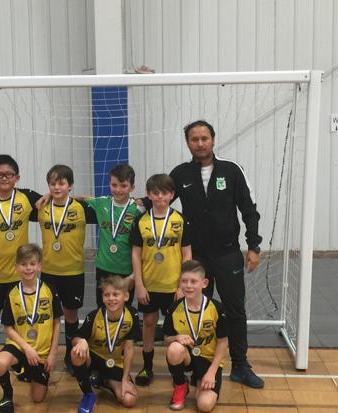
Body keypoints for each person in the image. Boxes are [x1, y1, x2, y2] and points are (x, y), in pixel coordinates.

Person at [167, 119, 264, 388]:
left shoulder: (231, 170)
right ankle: (199, 365)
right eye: (194, 139)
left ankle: (241, 365)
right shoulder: (180, 174)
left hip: (228, 254)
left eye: (204, 138)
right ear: (188, 143)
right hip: (197, 258)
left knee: (235, 310)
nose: (200, 143)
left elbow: (249, 210)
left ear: (213, 139)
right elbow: (157, 198)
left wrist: (253, 246)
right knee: (198, 311)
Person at [0, 154, 42, 379]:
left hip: (20, 274)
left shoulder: (26, 198)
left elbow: (53, 198)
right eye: (0, 175)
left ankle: (18, 358)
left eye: (9, 174)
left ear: (17, 177)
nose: (4, 178)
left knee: (19, 318)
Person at [31, 164, 97, 373]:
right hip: (49, 272)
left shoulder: (82, 208)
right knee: (49, 316)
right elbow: (16, 196)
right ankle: (42, 354)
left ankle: (70, 355)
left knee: (70, 314)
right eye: (52, 184)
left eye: (61, 183)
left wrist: (80, 197)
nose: (56, 187)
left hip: (73, 272)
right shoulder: (41, 207)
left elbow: (106, 202)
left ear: (70, 185)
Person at [130, 174, 192, 386]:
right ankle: (147, 367)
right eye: (155, 193)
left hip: (173, 286)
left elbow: (187, 254)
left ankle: (178, 369)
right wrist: (139, 285)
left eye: (164, 193)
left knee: (177, 327)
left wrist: (182, 285)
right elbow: (136, 254)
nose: (160, 197)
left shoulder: (180, 220)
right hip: (149, 285)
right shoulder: (141, 221)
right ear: (148, 195)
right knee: (148, 323)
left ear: (172, 195)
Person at [0, 243, 63, 413]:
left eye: (32, 264)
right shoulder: (12, 294)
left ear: (39, 266)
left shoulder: (49, 290)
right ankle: (7, 394)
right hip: (20, 346)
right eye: (23, 264)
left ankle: (27, 371)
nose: (28, 268)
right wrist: (27, 348)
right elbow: (8, 328)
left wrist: (53, 354)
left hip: (42, 352)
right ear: (17, 267)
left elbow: (57, 322)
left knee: (37, 399)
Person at [164, 260, 228, 412]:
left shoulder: (216, 308)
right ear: (179, 282)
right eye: (184, 281)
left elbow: (223, 343)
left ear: (204, 283)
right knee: (174, 349)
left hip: (209, 361)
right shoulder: (174, 308)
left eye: (193, 281)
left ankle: (200, 379)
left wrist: (211, 373)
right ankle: (181, 385)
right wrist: (176, 338)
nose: (188, 286)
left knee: (204, 405)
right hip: (188, 357)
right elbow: (166, 339)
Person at [71, 276, 139, 413]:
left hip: (115, 362)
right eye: (107, 295)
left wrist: (125, 379)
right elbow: (74, 338)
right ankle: (88, 394)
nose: (111, 298)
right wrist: (81, 341)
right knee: (76, 353)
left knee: (130, 400)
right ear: (102, 298)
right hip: (94, 359)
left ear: (126, 296)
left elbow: (129, 348)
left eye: (115, 294)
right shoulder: (94, 316)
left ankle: (105, 381)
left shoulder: (132, 315)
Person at [81, 164, 143, 306]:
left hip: (126, 271)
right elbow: (81, 198)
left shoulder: (138, 209)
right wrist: (49, 195)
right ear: (109, 184)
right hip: (103, 268)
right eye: (114, 185)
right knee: (102, 309)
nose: (118, 190)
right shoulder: (101, 202)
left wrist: (134, 276)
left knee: (123, 310)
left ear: (132, 187)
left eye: (123, 186)